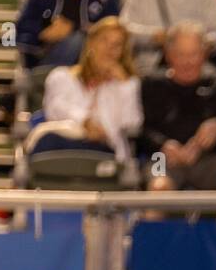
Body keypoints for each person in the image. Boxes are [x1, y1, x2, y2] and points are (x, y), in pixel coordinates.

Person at [140, 22, 216, 191]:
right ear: (168, 55)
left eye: (194, 54)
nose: (188, 62)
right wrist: (163, 144)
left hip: (212, 158)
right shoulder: (151, 84)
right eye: (181, 55)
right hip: (162, 159)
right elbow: (142, 129)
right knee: (158, 186)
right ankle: (151, 217)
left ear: (205, 54)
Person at [29, 17, 143, 164]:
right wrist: (85, 121)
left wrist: (123, 86)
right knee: (47, 144)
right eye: (104, 40)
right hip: (64, 144)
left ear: (123, 52)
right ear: (91, 43)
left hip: (106, 152)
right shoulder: (62, 76)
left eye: (117, 44)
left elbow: (131, 125)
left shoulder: (128, 85)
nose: (110, 49)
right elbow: (55, 109)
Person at [121, 0, 216, 72]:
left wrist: (200, 40)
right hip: (150, 67)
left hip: (198, 68)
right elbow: (123, 31)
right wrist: (152, 36)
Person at [17, 0, 123, 70]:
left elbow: (116, 31)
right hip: (45, 64)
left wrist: (75, 29)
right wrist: (43, 33)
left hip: (92, 66)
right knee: (75, 41)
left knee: (78, 40)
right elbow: (21, 32)